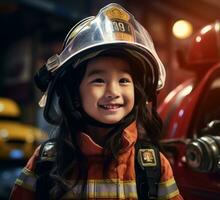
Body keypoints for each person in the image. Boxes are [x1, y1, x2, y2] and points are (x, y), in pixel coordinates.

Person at [10, 3, 183, 200]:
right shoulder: (45, 162)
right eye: (98, 80)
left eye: (124, 80)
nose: (113, 91)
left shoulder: (153, 166)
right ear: (74, 93)